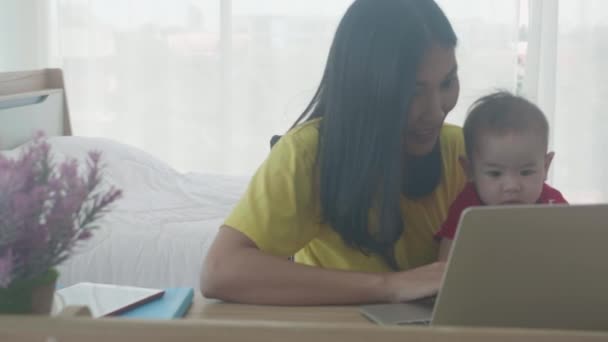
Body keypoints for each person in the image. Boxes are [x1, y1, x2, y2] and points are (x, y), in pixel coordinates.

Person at [202, 0, 466, 305]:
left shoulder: (462, 151)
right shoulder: (308, 153)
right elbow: (219, 271)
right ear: (365, 89)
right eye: (412, 91)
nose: (435, 112)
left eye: (447, 83)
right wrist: (389, 286)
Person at [436, 91, 568, 260]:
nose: (512, 186)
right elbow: (443, 269)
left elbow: (574, 252)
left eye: (526, 172)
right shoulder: (467, 210)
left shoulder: (553, 205)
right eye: (495, 173)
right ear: (469, 171)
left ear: (546, 166)